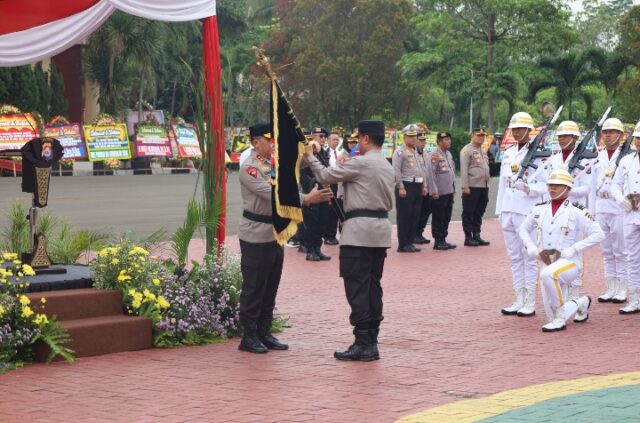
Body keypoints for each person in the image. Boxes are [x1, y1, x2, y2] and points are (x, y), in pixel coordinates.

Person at [304, 120, 395, 361]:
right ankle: (371, 339)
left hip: (358, 232)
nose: (356, 143)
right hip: (380, 229)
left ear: (366, 139)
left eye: (358, 139)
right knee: (373, 286)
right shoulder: (386, 164)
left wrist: (311, 155)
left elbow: (324, 175)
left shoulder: (361, 163)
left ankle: (363, 341)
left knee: (356, 287)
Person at [238, 123, 332, 353]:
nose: (273, 144)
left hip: (275, 233)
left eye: (274, 140)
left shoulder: (272, 161)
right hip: (256, 233)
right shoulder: (250, 167)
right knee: (254, 286)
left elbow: (293, 166)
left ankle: (264, 331)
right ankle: (248, 336)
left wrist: (307, 152)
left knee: (271, 284)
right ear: (255, 142)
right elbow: (275, 195)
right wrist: (307, 199)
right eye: (269, 140)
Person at [519, 169, 603, 332]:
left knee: (548, 276)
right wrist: (530, 246)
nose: (552, 189)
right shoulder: (539, 209)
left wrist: (574, 248)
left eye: (558, 186)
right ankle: (581, 303)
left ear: (568, 189)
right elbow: (523, 229)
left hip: (569, 263)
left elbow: (599, 234)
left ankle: (559, 320)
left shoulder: (578, 211)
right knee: (551, 312)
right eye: (550, 185)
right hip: (546, 262)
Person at [495, 112, 551, 317]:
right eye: (514, 129)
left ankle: (529, 300)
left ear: (529, 131)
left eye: (520, 129)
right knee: (514, 257)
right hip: (509, 209)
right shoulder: (509, 152)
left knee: (529, 257)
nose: (517, 132)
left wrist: (529, 188)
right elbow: (502, 183)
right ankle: (518, 297)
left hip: (527, 210)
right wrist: (499, 210)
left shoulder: (541, 154)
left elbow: (547, 185)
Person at [595, 118, 630, 306]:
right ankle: (610, 287)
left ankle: (622, 287)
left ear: (621, 136)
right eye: (605, 132)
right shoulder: (598, 155)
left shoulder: (626, 157)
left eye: (612, 132)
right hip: (601, 206)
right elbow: (594, 184)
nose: (608, 135)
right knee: (606, 250)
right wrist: (592, 210)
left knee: (621, 250)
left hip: (618, 207)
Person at [611, 122, 640, 314]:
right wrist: (620, 199)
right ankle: (635, 298)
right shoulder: (626, 161)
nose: (639, 142)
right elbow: (615, 184)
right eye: (637, 138)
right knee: (632, 258)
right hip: (630, 214)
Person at [392, 124, 427, 252]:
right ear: (404, 137)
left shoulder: (415, 151)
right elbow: (396, 170)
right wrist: (400, 187)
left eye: (414, 136)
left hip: (417, 185)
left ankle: (410, 241)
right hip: (406, 185)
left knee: (414, 215)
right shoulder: (400, 151)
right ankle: (403, 244)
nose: (413, 139)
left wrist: (424, 185)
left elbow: (421, 170)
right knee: (404, 215)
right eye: (410, 136)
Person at [300, 126, 332, 261]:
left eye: (324, 136)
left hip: (323, 191)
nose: (323, 139)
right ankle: (309, 249)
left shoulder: (324, 152)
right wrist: (313, 184)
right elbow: (303, 174)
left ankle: (318, 248)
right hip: (312, 192)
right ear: (313, 137)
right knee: (311, 222)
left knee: (322, 221)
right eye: (320, 136)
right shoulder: (307, 151)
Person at [460, 127, 491, 247]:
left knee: (479, 211)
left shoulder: (483, 150)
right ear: (472, 135)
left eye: (483, 136)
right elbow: (463, 169)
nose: (481, 138)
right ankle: (468, 237)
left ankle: (477, 235)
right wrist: (464, 186)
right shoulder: (466, 150)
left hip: (484, 186)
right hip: (472, 186)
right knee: (469, 212)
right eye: (478, 135)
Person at [428, 131, 456, 250]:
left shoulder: (448, 154)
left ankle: (443, 238)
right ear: (439, 142)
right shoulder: (434, 154)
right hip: (439, 192)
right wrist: (434, 191)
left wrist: (453, 189)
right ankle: (438, 240)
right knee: (438, 217)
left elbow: (452, 172)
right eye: (446, 140)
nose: (449, 141)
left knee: (446, 216)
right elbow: (431, 173)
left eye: (449, 139)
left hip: (449, 191)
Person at [323, 129, 343, 246]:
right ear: (328, 140)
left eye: (337, 140)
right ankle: (328, 236)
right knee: (330, 211)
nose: (336, 142)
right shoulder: (325, 153)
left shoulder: (340, 153)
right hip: (330, 184)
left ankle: (334, 234)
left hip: (339, 185)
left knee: (337, 210)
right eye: (334, 139)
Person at [414, 130, 432, 245]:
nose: (423, 143)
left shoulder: (426, 154)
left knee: (425, 212)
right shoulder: (412, 154)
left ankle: (419, 233)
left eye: (424, 140)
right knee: (416, 212)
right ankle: (413, 234)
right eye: (421, 140)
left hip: (427, 188)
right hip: (416, 188)